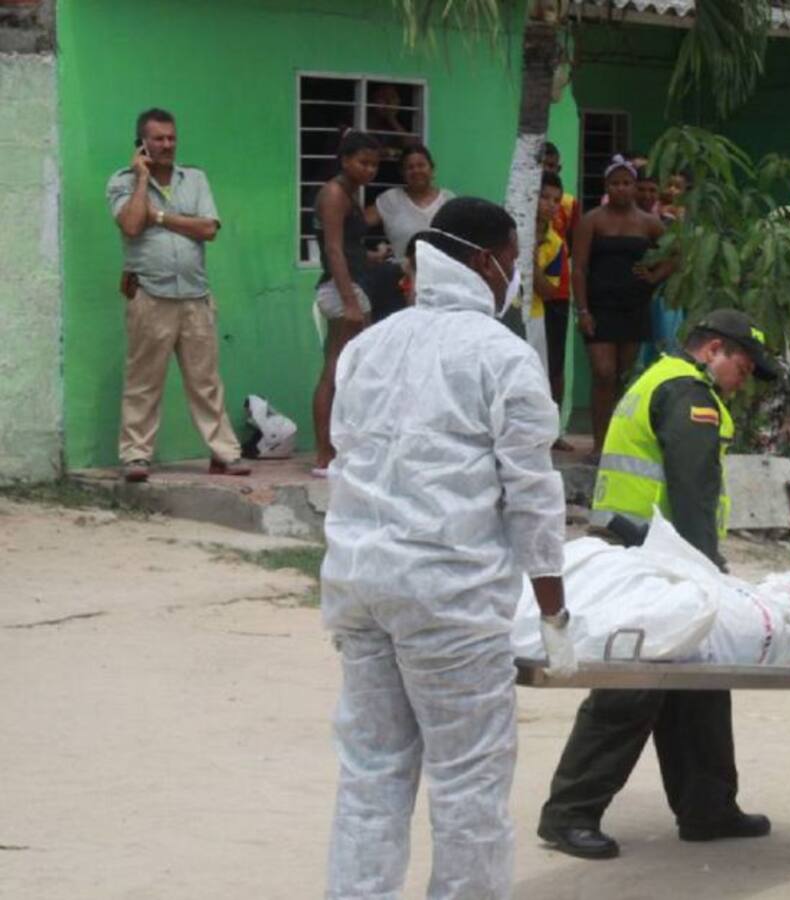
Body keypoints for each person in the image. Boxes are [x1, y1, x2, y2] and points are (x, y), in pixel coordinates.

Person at [321, 196, 578, 900]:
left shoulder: (370, 346)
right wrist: (553, 614)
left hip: (360, 586)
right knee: (468, 782)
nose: (512, 280)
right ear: (479, 261)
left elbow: (345, 460)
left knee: (371, 774)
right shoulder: (503, 356)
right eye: (512, 265)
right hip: (449, 600)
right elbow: (532, 493)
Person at [538, 309, 782, 861]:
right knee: (633, 686)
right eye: (743, 367)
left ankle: (708, 806)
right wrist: (707, 569)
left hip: (644, 552)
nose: (743, 381)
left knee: (700, 679)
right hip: (658, 561)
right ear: (713, 349)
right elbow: (692, 492)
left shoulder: (653, 378)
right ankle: (570, 813)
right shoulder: (688, 395)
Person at [106, 107, 250, 483]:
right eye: (158, 138)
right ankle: (136, 457)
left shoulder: (195, 179)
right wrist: (141, 178)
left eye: (171, 137)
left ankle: (224, 453)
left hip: (195, 297)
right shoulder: (121, 182)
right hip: (149, 296)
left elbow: (208, 229)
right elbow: (133, 223)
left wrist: (162, 217)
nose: (167, 144)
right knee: (143, 381)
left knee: (206, 381)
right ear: (141, 143)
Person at [574, 155, 671, 457]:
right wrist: (583, 311)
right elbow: (579, 267)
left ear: (634, 186)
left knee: (624, 376)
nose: (621, 189)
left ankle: (619, 443)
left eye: (627, 183)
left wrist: (654, 276)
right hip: (600, 306)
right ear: (607, 186)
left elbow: (677, 254)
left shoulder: (648, 223)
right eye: (615, 183)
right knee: (603, 373)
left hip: (634, 306)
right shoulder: (592, 220)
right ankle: (600, 443)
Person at [311, 131, 382, 476]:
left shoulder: (351, 196)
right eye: (363, 162)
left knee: (353, 368)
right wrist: (350, 302)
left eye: (374, 164)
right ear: (345, 161)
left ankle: (340, 448)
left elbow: (350, 249)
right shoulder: (335, 194)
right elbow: (333, 250)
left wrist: (373, 257)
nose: (369, 170)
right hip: (340, 291)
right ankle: (324, 455)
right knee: (336, 367)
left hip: (351, 285)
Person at [533, 173, 572, 429]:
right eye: (544, 197)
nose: (550, 204)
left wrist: (530, 261)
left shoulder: (555, 244)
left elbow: (548, 290)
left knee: (539, 374)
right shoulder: (508, 229)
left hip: (536, 315)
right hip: (502, 312)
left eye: (556, 200)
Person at [375, 143, 455, 263]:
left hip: (442, 275)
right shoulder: (391, 199)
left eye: (421, 165)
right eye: (410, 167)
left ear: (432, 169)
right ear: (402, 173)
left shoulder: (447, 199)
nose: (416, 170)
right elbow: (356, 225)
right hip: (403, 275)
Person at [541, 141, 581, 245]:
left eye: (550, 165)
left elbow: (576, 241)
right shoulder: (520, 200)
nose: (545, 170)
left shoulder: (569, 203)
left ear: (558, 169)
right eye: (540, 164)